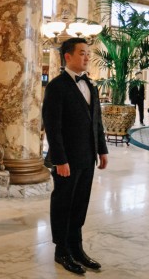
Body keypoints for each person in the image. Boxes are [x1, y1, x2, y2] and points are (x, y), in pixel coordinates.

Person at [42, 37, 109, 275]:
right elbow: (53, 126)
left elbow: (96, 122)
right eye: (82, 53)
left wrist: (102, 149)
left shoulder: (90, 86)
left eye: (88, 53)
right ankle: (62, 250)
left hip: (87, 156)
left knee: (80, 203)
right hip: (66, 160)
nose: (87, 57)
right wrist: (60, 160)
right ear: (68, 56)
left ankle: (77, 248)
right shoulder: (57, 86)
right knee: (63, 204)